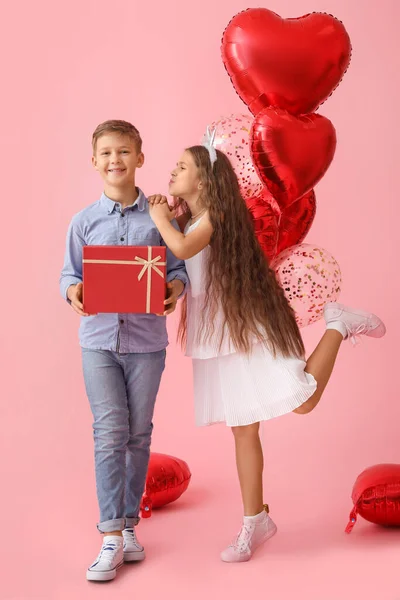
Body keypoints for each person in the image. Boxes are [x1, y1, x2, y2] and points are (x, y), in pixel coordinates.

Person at [147, 132, 386, 563]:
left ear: (204, 181)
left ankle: (338, 324)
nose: (173, 171)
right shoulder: (187, 220)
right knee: (243, 426)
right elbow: (179, 260)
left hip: (245, 326)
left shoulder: (213, 218)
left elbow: (180, 246)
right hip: (218, 332)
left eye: (182, 166)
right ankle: (255, 520)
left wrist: (158, 215)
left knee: (304, 401)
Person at [60, 120, 188, 581]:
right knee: (109, 431)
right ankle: (111, 534)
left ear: (139, 157)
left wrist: (175, 286)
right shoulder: (83, 222)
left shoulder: (158, 216)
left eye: (124, 152)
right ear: (95, 161)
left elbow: (179, 268)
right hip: (98, 343)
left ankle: (130, 525)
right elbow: (68, 276)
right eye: (107, 153)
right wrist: (73, 293)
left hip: (147, 343)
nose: (115, 160)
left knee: (138, 433)